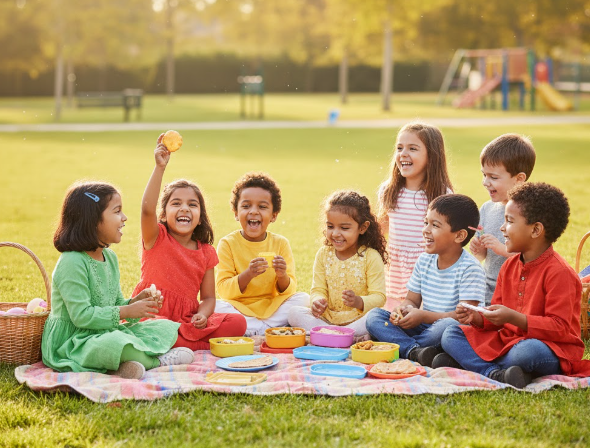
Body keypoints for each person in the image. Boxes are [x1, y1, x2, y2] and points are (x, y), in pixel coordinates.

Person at [435, 183, 590, 388]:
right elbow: (497, 317)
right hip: (507, 340)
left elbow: (560, 328)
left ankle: (470, 363)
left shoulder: (560, 273)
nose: (501, 228)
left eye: (509, 221)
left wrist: (514, 318)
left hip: (551, 349)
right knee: (451, 333)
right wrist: (478, 318)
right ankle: (497, 372)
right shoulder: (509, 266)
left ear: (536, 230)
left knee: (526, 353)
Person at [42, 182, 194, 380]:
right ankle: (158, 361)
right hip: (73, 342)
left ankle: (123, 367)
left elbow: (114, 305)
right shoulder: (72, 261)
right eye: (117, 211)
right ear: (93, 220)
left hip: (103, 331)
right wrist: (126, 311)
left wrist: (135, 303)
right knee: (115, 344)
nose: (124, 218)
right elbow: (81, 317)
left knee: (162, 326)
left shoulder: (110, 258)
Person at [131, 134, 246, 350]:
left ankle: (179, 344)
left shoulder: (206, 252)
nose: (184, 208)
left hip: (186, 321)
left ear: (201, 216)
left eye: (192, 205)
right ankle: (191, 344)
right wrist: (160, 168)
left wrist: (202, 315)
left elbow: (210, 298)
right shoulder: (156, 237)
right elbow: (146, 209)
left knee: (237, 323)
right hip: (152, 319)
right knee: (156, 329)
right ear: (163, 213)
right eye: (176, 203)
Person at [365, 194, 485, 367]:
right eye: (425, 222)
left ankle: (405, 346)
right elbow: (412, 300)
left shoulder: (470, 268)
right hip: (424, 327)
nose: (426, 230)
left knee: (448, 326)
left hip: (449, 331)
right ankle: (416, 351)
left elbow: (465, 318)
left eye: (435, 225)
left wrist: (423, 316)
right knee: (375, 316)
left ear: (459, 236)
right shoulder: (424, 260)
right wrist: (403, 310)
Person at [214, 172, 309, 336]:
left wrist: (282, 276)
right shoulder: (227, 244)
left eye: (262, 207)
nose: (253, 212)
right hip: (239, 308)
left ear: (273, 215)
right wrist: (248, 274)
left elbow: (290, 290)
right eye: (246, 206)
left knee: (304, 298)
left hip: (272, 308)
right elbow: (223, 290)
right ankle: (267, 329)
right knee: (213, 305)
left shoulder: (280, 243)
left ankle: (253, 329)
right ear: (236, 213)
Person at [287, 190, 387, 337]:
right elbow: (317, 289)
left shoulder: (370, 257)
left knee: (377, 317)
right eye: (330, 226)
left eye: (344, 228)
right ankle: (342, 336)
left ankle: (328, 335)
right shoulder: (323, 254)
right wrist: (317, 301)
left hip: (358, 319)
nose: (335, 233)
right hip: (327, 319)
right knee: (294, 313)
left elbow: (379, 297)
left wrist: (359, 301)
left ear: (362, 228)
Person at [377, 122, 454, 311]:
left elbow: (448, 239)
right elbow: (381, 229)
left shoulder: (442, 194)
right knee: (390, 314)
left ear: (432, 156)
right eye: (399, 148)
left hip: (427, 269)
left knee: (421, 315)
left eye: (413, 148)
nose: (403, 153)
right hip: (395, 270)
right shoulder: (389, 190)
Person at [469, 134, 536, 305]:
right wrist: (478, 249)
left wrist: (501, 249)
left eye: (493, 177)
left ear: (519, 179)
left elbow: (532, 257)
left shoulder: (529, 214)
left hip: (516, 295)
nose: (485, 182)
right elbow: (482, 257)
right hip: (486, 292)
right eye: (484, 175)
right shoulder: (486, 208)